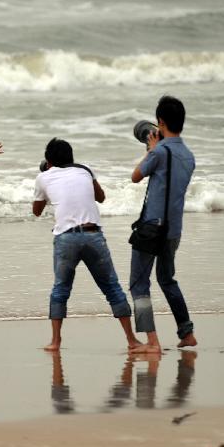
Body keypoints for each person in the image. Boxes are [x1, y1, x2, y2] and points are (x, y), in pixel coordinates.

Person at [33, 137, 141, 352]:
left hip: (66, 237)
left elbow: (36, 211)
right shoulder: (85, 170)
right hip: (93, 235)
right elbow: (101, 197)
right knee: (112, 288)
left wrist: (47, 179)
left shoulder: (43, 177)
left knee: (60, 290)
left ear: (49, 160)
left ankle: (55, 342)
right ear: (71, 157)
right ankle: (132, 341)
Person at [129, 95, 197, 354]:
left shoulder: (158, 151)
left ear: (160, 122)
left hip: (151, 229)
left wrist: (150, 149)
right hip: (173, 230)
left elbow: (135, 176)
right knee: (167, 279)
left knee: (139, 284)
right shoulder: (189, 156)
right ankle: (187, 332)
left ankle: (152, 342)